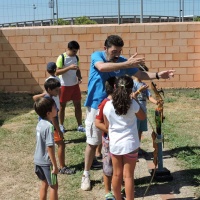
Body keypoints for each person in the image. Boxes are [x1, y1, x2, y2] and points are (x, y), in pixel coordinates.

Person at [81, 34, 175, 191]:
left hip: (116, 106)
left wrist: (158, 75)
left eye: (119, 51)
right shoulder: (97, 56)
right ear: (105, 49)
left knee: (114, 142)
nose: (117, 55)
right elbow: (102, 67)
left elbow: (140, 74)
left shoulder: (123, 61)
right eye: (114, 52)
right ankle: (86, 174)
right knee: (93, 142)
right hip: (96, 105)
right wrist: (126, 64)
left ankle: (116, 178)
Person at [103, 75, 146, 200]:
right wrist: (135, 99)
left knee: (116, 175)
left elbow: (106, 125)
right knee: (128, 176)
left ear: (115, 87)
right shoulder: (132, 103)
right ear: (131, 89)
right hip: (131, 144)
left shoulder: (108, 105)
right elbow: (142, 117)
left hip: (115, 143)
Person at [33, 78, 75, 175]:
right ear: (49, 89)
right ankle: (62, 167)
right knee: (61, 144)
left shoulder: (45, 98)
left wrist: (44, 94)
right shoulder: (50, 102)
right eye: (56, 90)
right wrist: (59, 130)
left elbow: (34, 98)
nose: (58, 91)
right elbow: (54, 118)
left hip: (43, 125)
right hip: (52, 127)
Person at [56, 40, 85, 133]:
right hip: (64, 85)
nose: (75, 53)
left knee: (78, 105)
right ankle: (61, 125)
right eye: (73, 51)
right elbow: (57, 72)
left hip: (74, 85)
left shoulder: (76, 57)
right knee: (62, 106)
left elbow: (77, 68)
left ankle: (80, 125)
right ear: (68, 49)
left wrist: (79, 77)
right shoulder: (62, 57)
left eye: (76, 51)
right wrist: (69, 68)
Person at [95, 76, 116, 200]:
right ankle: (108, 191)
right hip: (109, 140)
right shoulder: (104, 103)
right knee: (108, 166)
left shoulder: (120, 102)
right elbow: (97, 123)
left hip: (120, 141)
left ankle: (117, 186)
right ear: (115, 87)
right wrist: (112, 132)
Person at [33, 97, 59, 200]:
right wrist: (54, 165)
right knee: (54, 186)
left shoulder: (40, 123)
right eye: (54, 107)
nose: (56, 108)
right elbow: (50, 147)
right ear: (48, 113)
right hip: (46, 163)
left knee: (44, 183)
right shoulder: (49, 126)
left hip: (37, 161)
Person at [132, 66, 159, 154]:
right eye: (143, 74)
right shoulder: (132, 84)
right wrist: (140, 90)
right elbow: (132, 96)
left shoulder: (144, 84)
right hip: (135, 112)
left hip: (143, 111)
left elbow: (149, 97)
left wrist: (157, 102)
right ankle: (133, 150)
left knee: (140, 131)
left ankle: (137, 147)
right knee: (134, 131)